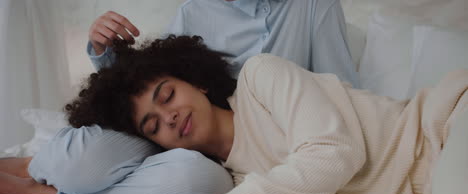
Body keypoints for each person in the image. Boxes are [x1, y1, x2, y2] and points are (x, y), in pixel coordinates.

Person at [64, 35, 468, 194]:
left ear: (196, 82)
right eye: (153, 125)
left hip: (447, 127)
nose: (168, 117)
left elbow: (335, 154)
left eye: (167, 96)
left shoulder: (261, 77)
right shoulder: (237, 181)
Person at [87, 0, 360, 88]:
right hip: (219, 149)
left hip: (298, 139)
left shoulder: (313, 4)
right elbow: (147, 86)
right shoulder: (193, 12)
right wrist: (104, 49)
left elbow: (341, 89)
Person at [0, 125, 233, 194]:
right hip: (141, 127)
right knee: (74, 163)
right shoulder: (191, 19)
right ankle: (31, 166)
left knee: (200, 183)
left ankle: (39, 190)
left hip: (206, 143)